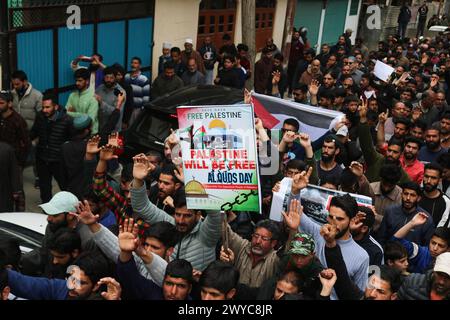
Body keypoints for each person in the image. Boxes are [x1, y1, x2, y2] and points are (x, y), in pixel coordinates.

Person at [130, 154, 221, 271]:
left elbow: (215, 213)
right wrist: (138, 180)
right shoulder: (170, 224)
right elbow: (141, 206)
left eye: (187, 216)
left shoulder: (206, 234)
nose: (181, 221)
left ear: (198, 215)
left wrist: (191, 183)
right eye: (178, 214)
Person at [287, 176, 370, 299]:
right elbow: (295, 212)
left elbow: (358, 295)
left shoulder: (361, 256)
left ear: (351, 220)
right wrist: (295, 191)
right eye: (331, 217)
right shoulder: (317, 232)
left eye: (340, 219)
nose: (333, 223)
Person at [116, 218, 192, 300]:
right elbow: (128, 274)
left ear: (169, 251)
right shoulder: (152, 292)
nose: (173, 292)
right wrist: (125, 251)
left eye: (155, 247)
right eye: (146, 245)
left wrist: (142, 252)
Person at [6, 251, 111, 300]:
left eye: (81, 282)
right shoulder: (60, 288)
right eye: (71, 278)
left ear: (96, 285)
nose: (72, 286)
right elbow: (24, 284)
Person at [31, 92, 73, 203]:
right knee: (44, 188)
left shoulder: (67, 120)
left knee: (65, 186)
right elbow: (33, 133)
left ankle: (70, 210)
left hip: (58, 160)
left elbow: (71, 141)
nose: (44, 110)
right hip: (42, 158)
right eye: (43, 107)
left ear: (56, 106)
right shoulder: (40, 117)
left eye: (47, 107)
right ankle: (47, 211)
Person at [219, 219, 280, 288]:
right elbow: (226, 231)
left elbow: (289, 256)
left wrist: (293, 230)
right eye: (256, 236)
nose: (258, 241)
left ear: (273, 243)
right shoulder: (242, 246)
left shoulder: (275, 258)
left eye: (264, 238)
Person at [378, 182, 435, 247]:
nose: (408, 198)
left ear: (418, 198)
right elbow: (381, 238)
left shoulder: (425, 219)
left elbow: (426, 246)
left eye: (412, 195)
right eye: (406, 194)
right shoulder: (390, 211)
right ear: (401, 194)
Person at [369, 164, 403, 232]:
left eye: (390, 186)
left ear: (396, 183)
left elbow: (396, 221)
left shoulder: (400, 196)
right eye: (384, 184)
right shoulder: (371, 188)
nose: (386, 189)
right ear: (381, 179)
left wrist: (376, 216)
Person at [65, 68, 99, 135]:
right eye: (76, 80)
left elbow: (89, 120)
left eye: (80, 81)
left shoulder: (93, 97)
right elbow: (66, 113)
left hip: (90, 133)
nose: (77, 83)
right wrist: (83, 115)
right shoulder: (72, 95)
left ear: (87, 81)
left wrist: (73, 113)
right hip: (75, 132)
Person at [95, 66, 126, 135]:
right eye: (106, 77)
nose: (108, 80)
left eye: (111, 78)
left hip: (113, 131)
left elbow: (117, 113)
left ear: (115, 78)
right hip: (100, 128)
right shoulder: (100, 88)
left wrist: (101, 103)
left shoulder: (121, 92)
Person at [419, 163, 450, 227]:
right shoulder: (415, 194)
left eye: (433, 178)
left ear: (440, 180)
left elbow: (442, 228)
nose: (428, 181)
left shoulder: (446, 202)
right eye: (426, 176)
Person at [124, 56, 150, 126]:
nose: (133, 65)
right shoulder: (126, 77)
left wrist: (143, 110)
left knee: (134, 127)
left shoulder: (143, 79)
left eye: (135, 63)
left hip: (137, 109)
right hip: (127, 108)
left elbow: (146, 96)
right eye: (132, 63)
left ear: (140, 65)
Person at [0, 142, 21, 212]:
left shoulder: (7, 149)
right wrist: (16, 190)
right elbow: (14, 171)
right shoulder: (7, 149)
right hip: (4, 193)